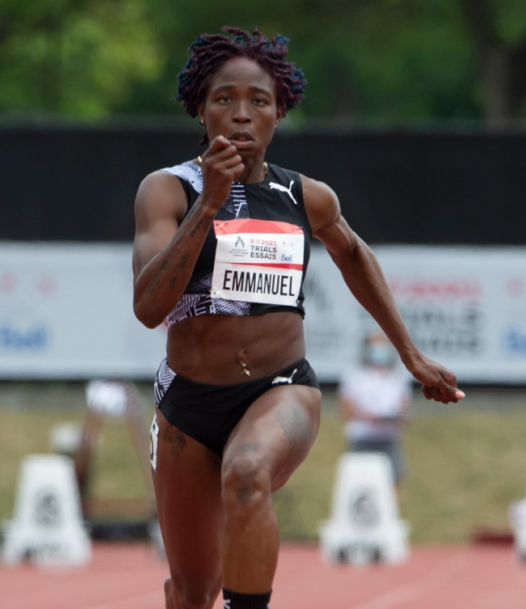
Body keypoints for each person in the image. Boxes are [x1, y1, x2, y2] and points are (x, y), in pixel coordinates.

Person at [131, 27, 463, 609]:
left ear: (279, 112)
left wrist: (410, 354)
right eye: (223, 100)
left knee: (248, 471)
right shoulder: (168, 192)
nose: (240, 115)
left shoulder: (306, 198)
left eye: (257, 101)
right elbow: (148, 307)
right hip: (186, 404)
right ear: (199, 110)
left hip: (278, 389)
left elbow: (355, 255)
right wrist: (209, 202)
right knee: (190, 590)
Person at [340, 332, 412, 490]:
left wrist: (398, 417)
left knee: (394, 480)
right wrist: (368, 416)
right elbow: (346, 408)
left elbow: (405, 408)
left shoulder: (397, 377)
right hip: (362, 437)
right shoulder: (354, 375)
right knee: (359, 484)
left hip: (389, 438)